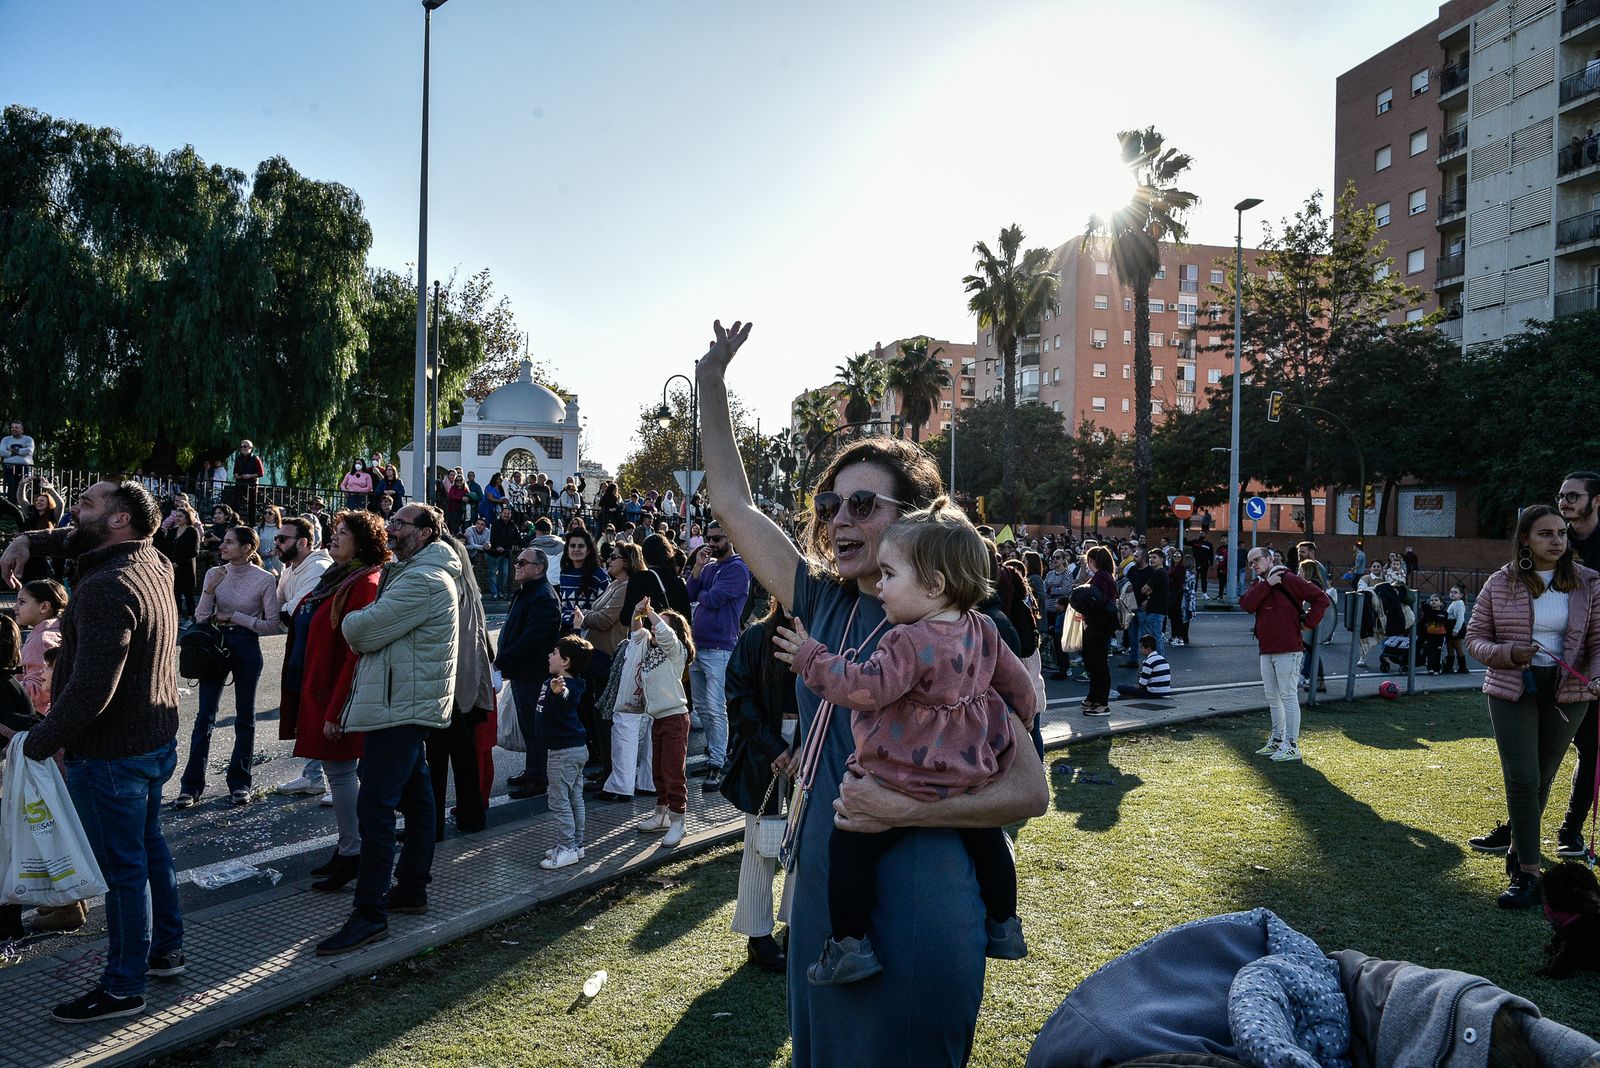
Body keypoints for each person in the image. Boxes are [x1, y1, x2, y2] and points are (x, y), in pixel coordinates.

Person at [695, 319, 1047, 1065]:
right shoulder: (820, 603)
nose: (838, 519)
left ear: (913, 523)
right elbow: (733, 502)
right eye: (831, 504)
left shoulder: (968, 634)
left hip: (925, 899)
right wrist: (711, 384)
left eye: (864, 505)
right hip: (827, 898)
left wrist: (908, 807)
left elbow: (1029, 793)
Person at [774, 499, 1037, 985]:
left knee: (851, 845)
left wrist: (812, 659)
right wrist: (1020, 717)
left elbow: (865, 688)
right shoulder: (981, 629)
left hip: (903, 775)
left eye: (891, 575)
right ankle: (1004, 924)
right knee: (987, 840)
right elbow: (1018, 683)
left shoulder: (906, 641)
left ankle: (849, 945)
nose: (879, 586)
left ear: (934, 585)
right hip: (967, 772)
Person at [0, 480, 184, 1023]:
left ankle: (124, 987)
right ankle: (165, 952)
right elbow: (77, 540)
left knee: (124, 870)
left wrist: (38, 741)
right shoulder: (152, 559)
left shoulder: (107, 585)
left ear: (120, 520)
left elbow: (91, 687)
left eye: (86, 505)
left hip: (111, 752)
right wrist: (27, 540)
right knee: (149, 850)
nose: (73, 511)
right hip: (151, 737)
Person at [316, 502, 461, 956]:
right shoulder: (415, 572)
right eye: (391, 521)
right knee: (417, 800)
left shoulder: (422, 579)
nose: (391, 527)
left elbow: (360, 632)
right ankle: (412, 887)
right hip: (404, 702)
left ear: (424, 533)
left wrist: (354, 619)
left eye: (401, 523)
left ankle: (369, 914)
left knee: (373, 806)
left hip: (400, 706)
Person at [1465, 504, 1600, 908]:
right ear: (1525, 539)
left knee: (1542, 777)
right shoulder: (1500, 582)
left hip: (1570, 691)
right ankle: (1527, 872)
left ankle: (1516, 852)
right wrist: (1508, 652)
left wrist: (1596, 675)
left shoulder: (1588, 582)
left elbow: (1598, 640)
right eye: (1545, 534)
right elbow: (1475, 637)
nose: (1556, 541)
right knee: (1523, 778)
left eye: (1561, 533)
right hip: (1512, 686)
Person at [290, 511, 388, 891]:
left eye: (342, 533)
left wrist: (337, 709)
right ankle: (349, 847)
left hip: (338, 692)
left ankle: (353, 851)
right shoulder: (340, 577)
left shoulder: (364, 583)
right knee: (339, 772)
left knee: (342, 772)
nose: (334, 537)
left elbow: (354, 652)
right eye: (334, 531)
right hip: (323, 686)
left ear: (361, 541)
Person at [720, 601, 799, 973]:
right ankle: (758, 936)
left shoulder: (824, 632)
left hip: (808, 747)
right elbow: (738, 696)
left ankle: (796, 928)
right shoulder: (755, 637)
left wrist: (803, 747)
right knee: (758, 844)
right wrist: (773, 747)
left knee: (804, 842)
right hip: (761, 747)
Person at [175, 526, 278, 807]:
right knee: (204, 716)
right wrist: (209, 590)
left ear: (247, 548)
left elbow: (271, 624)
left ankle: (240, 783)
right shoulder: (214, 573)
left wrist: (235, 616)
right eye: (223, 541)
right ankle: (191, 786)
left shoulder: (265, 579)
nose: (222, 546)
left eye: (229, 542)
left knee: (245, 716)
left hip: (246, 645)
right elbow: (200, 617)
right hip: (214, 645)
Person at [592, 541, 668, 800]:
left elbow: (627, 620)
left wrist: (636, 614)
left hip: (639, 653)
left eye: (613, 556)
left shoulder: (635, 582)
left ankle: (621, 786)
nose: (609, 560)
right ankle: (648, 782)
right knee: (651, 724)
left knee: (626, 721)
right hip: (662, 654)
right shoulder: (657, 579)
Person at [1239, 547, 1329, 764]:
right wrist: (1267, 585)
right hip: (1267, 649)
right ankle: (1278, 739)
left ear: (1270, 558)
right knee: (1273, 697)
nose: (1254, 565)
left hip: (1288, 649)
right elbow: (1247, 605)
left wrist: (1308, 624)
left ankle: (1292, 745)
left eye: (1258, 560)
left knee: (1288, 696)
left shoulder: (1288, 578)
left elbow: (1321, 599)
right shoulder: (1261, 585)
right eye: (1251, 563)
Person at [272, 516, 336, 800]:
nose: (277, 542)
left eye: (282, 538)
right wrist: (289, 607)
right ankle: (313, 776)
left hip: (320, 649)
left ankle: (340, 781)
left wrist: (289, 606)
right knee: (305, 711)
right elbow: (278, 610)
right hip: (300, 646)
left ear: (303, 542)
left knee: (323, 712)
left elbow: (297, 607)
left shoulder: (319, 566)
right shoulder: (290, 569)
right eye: (277, 537)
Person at [686, 519, 750, 791]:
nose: (711, 544)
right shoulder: (709, 567)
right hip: (698, 646)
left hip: (720, 648)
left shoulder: (738, 569)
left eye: (716, 539)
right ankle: (716, 753)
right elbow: (689, 592)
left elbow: (711, 599)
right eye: (708, 539)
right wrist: (698, 567)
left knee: (715, 707)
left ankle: (717, 761)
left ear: (730, 537)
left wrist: (702, 591)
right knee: (701, 707)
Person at [629, 597, 695, 847]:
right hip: (657, 719)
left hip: (675, 719)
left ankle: (679, 821)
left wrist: (652, 613)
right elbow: (636, 636)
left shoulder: (675, 652)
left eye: (660, 626)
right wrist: (638, 614)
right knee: (658, 771)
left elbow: (666, 635)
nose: (654, 629)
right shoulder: (650, 650)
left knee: (673, 771)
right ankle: (662, 815)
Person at [498, 549, 562, 800]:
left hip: (533, 672)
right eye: (517, 561)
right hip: (522, 671)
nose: (517, 566)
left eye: (523, 562)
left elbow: (532, 638)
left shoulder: (543, 596)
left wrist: (504, 658)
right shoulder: (527, 591)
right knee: (528, 726)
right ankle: (533, 770)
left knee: (535, 727)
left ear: (539, 568)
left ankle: (537, 778)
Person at [536, 634, 594, 869]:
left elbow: (565, 699)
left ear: (566, 661)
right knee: (574, 799)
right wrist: (579, 629)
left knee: (560, 802)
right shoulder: (567, 680)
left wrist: (558, 692)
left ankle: (567, 848)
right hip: (574, 749)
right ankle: (576, 845)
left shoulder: (564, 685)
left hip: (563, 752)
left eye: (555, 653)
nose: (550, 656)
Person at [1070, 545, 1121, 716]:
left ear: (1093, 561)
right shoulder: (1105, 576)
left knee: (1098, 665)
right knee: (1094, 663)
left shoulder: (1100, 577)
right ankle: (1093, 697)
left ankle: (1102, 702)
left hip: (1099, 625)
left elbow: (1096, 601)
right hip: (1099, 625)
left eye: (1088, 561)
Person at [16, 578, 67, 714]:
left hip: (41, 715)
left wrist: (9, 687)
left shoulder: (42, 640)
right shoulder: (60, 630)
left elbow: (41, 690)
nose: (15, 608)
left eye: (22, 602)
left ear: (44, 606)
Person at [156, 505, 201, 618]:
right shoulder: (172, 531)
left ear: (187, 517)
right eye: (176, 516)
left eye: (180, 516)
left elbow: (194, 551)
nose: (177, 518)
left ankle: (191, 615)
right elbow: (166, 547)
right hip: (173, 565)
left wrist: (179, 562)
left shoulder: (192, 531)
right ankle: (178, 615)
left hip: (186, 566)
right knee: (175, 591)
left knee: (188, 592)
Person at [1115, 634, 1172, 699]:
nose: (1140, 650)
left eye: (1141, 648)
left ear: (1148, 649)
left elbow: (1142, 683)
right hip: (1165, 692)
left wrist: (1138, 685)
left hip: (1153, 693)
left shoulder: (1148, 661)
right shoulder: (1162, 658)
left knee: (1120, 687)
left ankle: (1134, 696)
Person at [486, 504, 518, 600]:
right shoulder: (495, 524)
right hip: (494, 554)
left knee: (505, 574)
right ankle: (495, 592)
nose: (506, 515)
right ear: (501, 514)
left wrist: (522, 545)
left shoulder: (513, 525)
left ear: (511, 515)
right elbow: (492, 538)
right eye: (505, 513)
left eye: (508, 514)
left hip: (505, 554)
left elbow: (518, 537)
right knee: (492, 573)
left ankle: (500, 591)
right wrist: (497, 546)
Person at [233, 439, 265, 525]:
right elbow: (235, 472)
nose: (243, 448)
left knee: (252, 504)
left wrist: (250, 476)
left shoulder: (255, 459)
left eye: (245, 446)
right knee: (236, 503)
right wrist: (238, 476)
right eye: (241, 447)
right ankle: (235, 521)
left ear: (250, 447)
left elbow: (261, 473)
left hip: (251, 484)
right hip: (240, 483)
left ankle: (252, 523)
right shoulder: (238, 458)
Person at [1, 420, 34, 500]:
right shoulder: (6, 440)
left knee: (22, 487)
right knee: (11, 487)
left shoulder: (28, 439)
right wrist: (20, 451)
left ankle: (20, 506)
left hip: (24, 468)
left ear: (22, 430)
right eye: (12, 427)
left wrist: (12, 450)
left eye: (16, 427)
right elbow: (2, 452)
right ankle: (10, 507)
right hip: (9, 468)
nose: (13, 429)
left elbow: (29, 451)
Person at [1445, 583, 1470, 674]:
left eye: (1455, 592)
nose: (1452, 594)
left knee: (1458, 647)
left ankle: (1462, 667)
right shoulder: (1454, 603)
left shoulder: (1459, 604)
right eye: (1451, 592)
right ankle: (1449, 667)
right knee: (1450, 647)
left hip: (1455, 626)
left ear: (1461, 595)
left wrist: (1456, 630)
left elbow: (1460, 618)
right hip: (1450, 626)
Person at [256, 504, 284, 576]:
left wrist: (275, 551)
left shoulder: (282, 529)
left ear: (276, 515)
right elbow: (254, 545)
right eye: (265, 513)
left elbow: (285, 545)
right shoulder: (258, 529)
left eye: (270, 513)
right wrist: (260, 553)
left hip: (277, 560)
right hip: (261, 560)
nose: (267, 515)